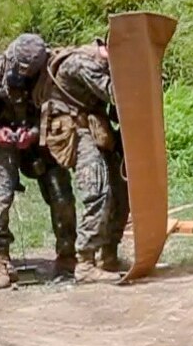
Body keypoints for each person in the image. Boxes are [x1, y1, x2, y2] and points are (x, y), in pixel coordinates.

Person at [0, 34, 78, 289]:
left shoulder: (52, 73)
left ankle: (67, 256)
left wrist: (35, 133)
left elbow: (59, 110)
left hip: (40, 139)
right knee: (0, 192)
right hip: (1, 141)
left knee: (62, 195)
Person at [35, 37, 129, 283]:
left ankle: (108, 254)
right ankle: (85, 262)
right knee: (96, 186)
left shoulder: (100, 61)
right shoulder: (83, 63)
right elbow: (117, 95)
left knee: (120, 187)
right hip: (72, 128)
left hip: (89, 122)